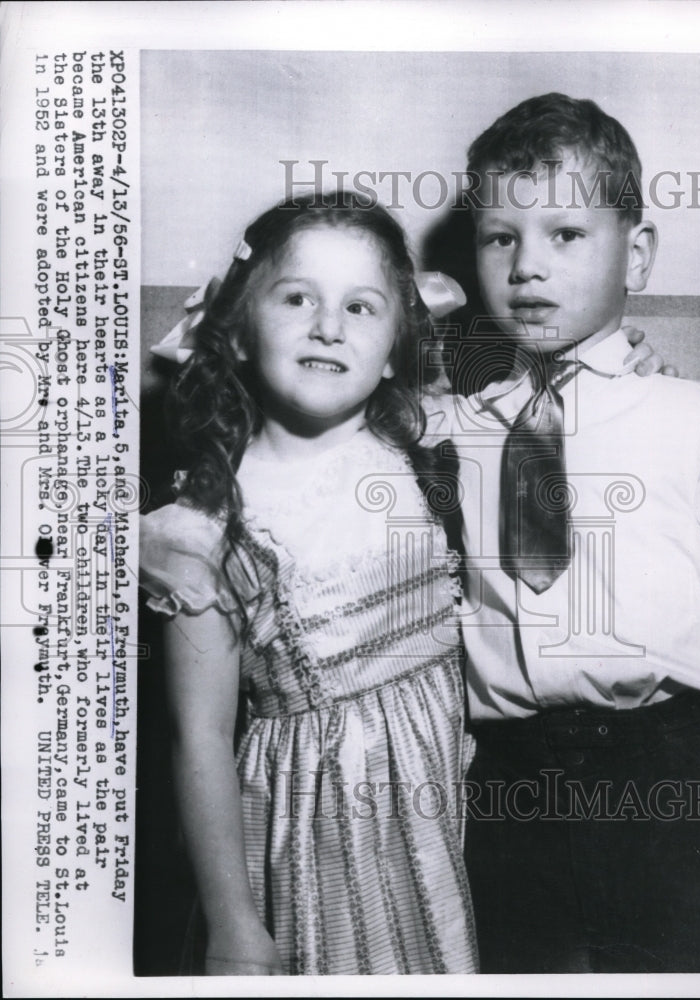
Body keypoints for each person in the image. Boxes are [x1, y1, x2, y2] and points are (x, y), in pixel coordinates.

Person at [422, 93, 700, 973]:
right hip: (504, 784)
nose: (527, 266)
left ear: (635, 255)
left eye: (566, 234)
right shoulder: (445, 431)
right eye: (500, 238)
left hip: (672, 776)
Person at [139, 191, 481, 976]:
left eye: (361, 307)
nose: (329, 326)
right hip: (313, 830)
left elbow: (562, 413)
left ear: (396, 346)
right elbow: (198, 738)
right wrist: (231, 922)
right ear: (237, 329)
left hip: (440, 818)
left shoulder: (425, 444)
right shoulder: (205, 523)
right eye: (298, 298)